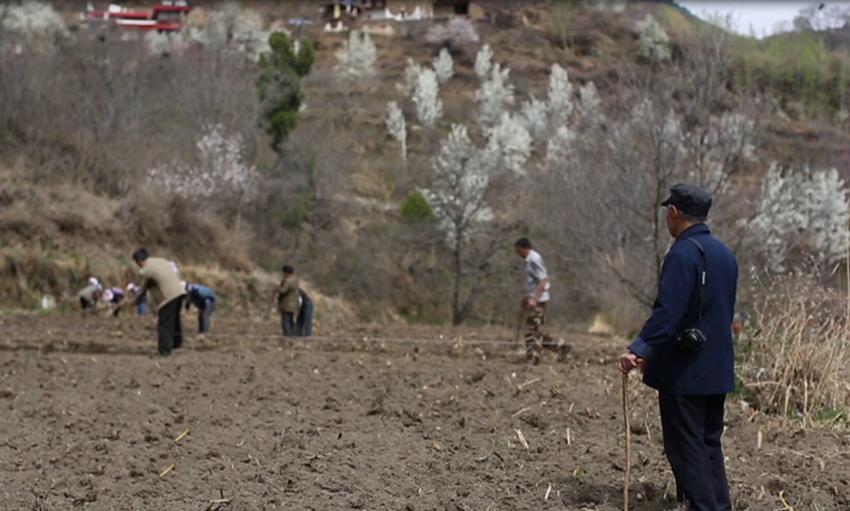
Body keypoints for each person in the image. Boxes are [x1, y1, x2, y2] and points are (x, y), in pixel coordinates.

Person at [618, 183, 738, 511]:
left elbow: (667, 314)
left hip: (686, 371)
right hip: (718, 367)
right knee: (708, 443)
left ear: (674, 212)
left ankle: (703, 507)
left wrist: (638, 349)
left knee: (686, 447)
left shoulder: (682, 253)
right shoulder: (725, 254)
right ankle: (718, 506)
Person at [514, 238, 571, 365]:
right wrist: (526, 298)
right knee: (536, 331)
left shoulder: (534, 259)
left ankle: (534, 358)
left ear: (525, 248)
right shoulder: (528, 261)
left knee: (532, 331)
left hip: (539, 301)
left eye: (519, 251)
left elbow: (543, 280)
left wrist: (534, 298)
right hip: (533, 299)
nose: (518, 254)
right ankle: (561, 346)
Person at [128, 248, 187, 356]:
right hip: (179, 292)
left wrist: (136, 300)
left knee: (164, 324)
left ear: (139, 260)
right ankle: (176, 344)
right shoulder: (160, 261)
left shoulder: (146, 269)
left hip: (168, 296)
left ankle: (165, 350)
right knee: (174, 321)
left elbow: (143, 287)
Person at [276, 264, 300, 336]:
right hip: (294, 304)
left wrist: (277, 289)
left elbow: (283, 291)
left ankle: (287, 336)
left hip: (287, 304)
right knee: (290, 320)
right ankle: (292, 335)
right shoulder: (295, 279)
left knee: (285, 321)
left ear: (286, 272)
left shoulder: (288, 281)